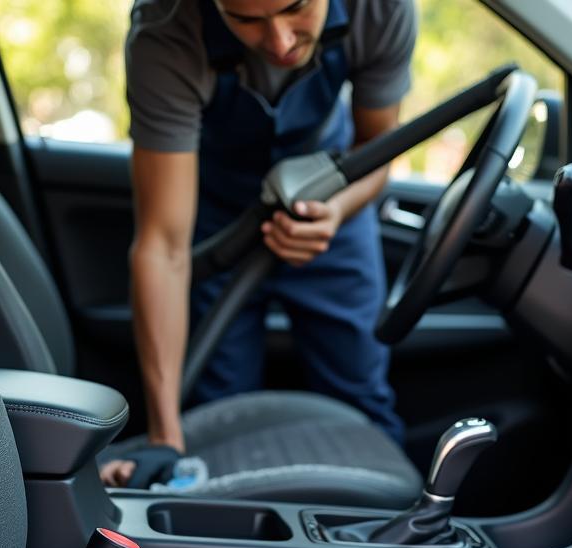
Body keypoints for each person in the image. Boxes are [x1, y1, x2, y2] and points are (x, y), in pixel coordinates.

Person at [101, 0, 416, 487]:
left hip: (331, 194)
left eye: (296, 9)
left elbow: (377, 149)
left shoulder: (379, 9)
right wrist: (165, 437)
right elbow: (163, 246)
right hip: (216, 215)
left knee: (363, 397)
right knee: (219, 408)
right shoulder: (167, 35)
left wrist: (336, 209)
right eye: (246, 20)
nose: (280, 42)